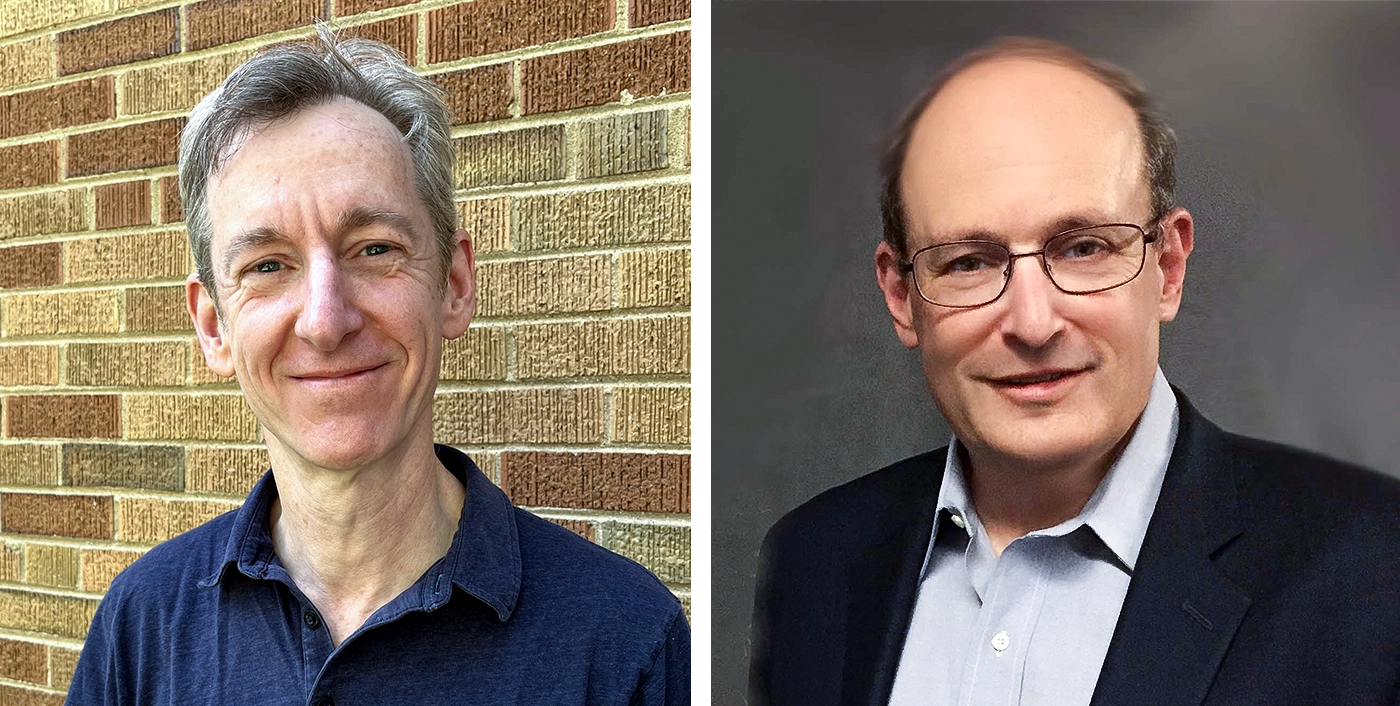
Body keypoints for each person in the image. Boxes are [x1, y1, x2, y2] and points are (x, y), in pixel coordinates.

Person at [749, 37, 1400, 706]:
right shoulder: (812, 561)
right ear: (900, 296)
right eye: (968, 262)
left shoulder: (1378, 577)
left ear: (1168, 268)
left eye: (1085, 247)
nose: (1033, 323)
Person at [65, 30, 692, 706]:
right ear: (213, 325)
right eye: (268, 265)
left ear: (453, 285)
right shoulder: (140, 626)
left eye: (373, 249)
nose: (326, 320)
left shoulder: (627, 641)